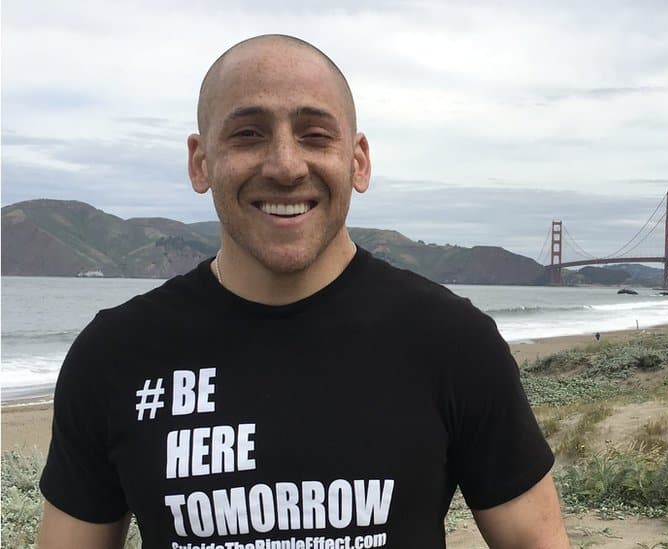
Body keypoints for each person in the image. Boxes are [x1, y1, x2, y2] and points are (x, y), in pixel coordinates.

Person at [37, 34, 570, 549]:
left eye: (315, 135)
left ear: (357, 161)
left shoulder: (454, 343)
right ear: (200, 163)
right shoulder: (113, 355)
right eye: (248, 134)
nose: (286, 166)